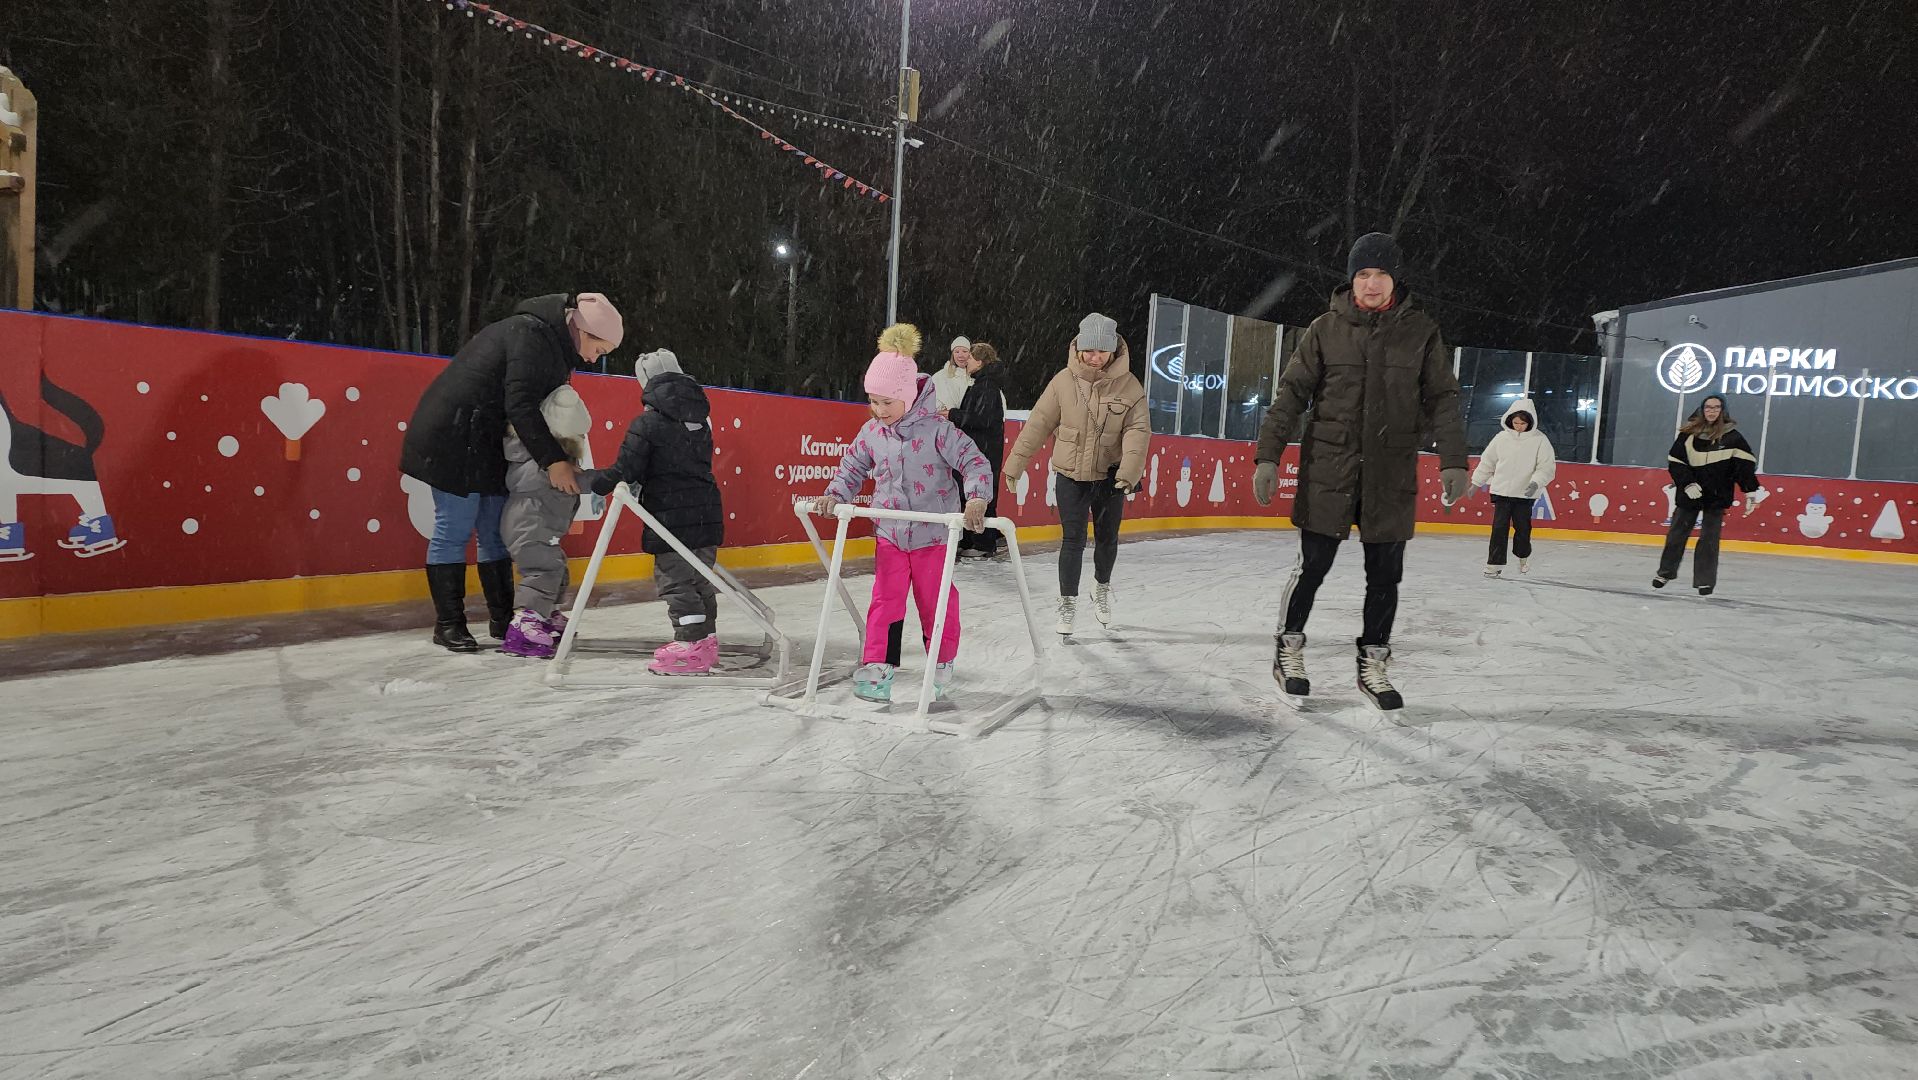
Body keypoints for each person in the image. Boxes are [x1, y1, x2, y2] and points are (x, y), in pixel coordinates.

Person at [1251, 233, 1467, 712]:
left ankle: (1373, 661)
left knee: (1385, 576)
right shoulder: (1326, 329)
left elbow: (1443, 400)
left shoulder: (1421, 332)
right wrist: (1269, 455)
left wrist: (1454, 458)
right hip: (1329, 467)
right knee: (1313, 567)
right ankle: (1288, 649)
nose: (1371, 284)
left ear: (1395, 279)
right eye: (1363, 274)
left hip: (1390, 473)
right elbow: (1290, 395)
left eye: (1381, 274)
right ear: (1351, 280)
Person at [400, 292, 622, 652]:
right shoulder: (530, 335)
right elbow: (519, 404)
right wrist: (554, 461)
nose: (594, 358)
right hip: (451, 435)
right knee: (453, 528)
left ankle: (505, 619)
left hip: (487, 440)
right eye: (599, 348)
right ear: (581, 329)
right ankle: (449, 625)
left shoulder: (553, 347)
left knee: (493, 532)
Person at [810, 324, 993, 703]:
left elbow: (975, 462)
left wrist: (976, 499)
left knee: (935, 601)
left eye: (886, 403)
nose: (878, 410)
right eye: (873, 401)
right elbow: (851, 468)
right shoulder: (872, 432)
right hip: (891, 534)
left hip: (933, 536)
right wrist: (834, 495)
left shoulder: (939, 432)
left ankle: (941, 661)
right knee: (885, 602)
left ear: (908, 396)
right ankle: (879, 666)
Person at [1002, 313, 1149, 636]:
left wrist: (1129, 470)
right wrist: (1015, 464)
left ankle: (1101, 588)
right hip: (1070, 475)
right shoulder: (1063, 382)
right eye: (1089, 350)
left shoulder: (1130, 386)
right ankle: (1068, 601)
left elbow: (1137, 431)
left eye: (1101, 351)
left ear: (1113, 351)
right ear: (1079, 348)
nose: (1094, 358)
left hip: (1110, 477)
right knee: (1072, 540)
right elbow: (1039, 423)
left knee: (1108, 539)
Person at [590, 349, 729, 674]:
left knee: (676, 582)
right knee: (699, 580)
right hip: (706, 511)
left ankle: (691, 644)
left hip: (671, 515)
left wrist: (598, 484)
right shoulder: (701, 418)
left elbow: (627, 467)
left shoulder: (648, 423)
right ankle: (705, 640)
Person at [498, 386, 602, 659]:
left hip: (538, 525)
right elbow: (570, 481)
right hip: (529, 524)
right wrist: (606, 479)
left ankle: (545, 613)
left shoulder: (551, 459)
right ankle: (525, 623)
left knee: (556, 568)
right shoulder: (540, 462)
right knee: (542, 571)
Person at [1656, 394, 1761, 596]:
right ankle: (1665, 572)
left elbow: (1744, 466)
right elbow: (1676, 463)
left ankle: (1704, 581)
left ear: (1723, 411)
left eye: (1716, 407)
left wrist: (1750, 491)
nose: (1712, 411)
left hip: (1717, 496)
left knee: (1709, 540)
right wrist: (1687, 484)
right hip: (1690, 495)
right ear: (1702, 410)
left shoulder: (1733, 437)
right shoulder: (1687, 435)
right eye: (1708, 407)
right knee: (1676, 536)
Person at [1470, 396, 1557, 577]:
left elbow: (1546, 467)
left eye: (1522, 423)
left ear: (1530, 422)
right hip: (1502, 491)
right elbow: (1487, 462)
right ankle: (1494, 564)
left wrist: (1535, 483)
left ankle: (1523, 557)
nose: (1518, 426)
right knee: (1499, 528)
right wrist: (1476, 483)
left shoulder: (1540, 440)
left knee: (1523, 529)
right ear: (1510, 420)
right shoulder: (1501, 438)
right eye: (1515, 422)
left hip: (1525, 494)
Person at [949, 341, 1008, 560]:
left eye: (971, 358)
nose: (966, 361)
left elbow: (982, 419)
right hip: (978, 448)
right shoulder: (981, 384)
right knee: (968, 493)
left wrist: (953, 414)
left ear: (980, 361)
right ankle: (970, 538)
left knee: (981, 494)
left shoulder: (987, 387)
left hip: (983, 450)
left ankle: (984, 542)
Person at [932, 336, 974, 413]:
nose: (960, 355)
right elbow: (932, 399)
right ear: (952, 355)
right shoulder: (940, 376)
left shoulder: (976, 376)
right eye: (957, 352)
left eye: (964, 351)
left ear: (970, 354)